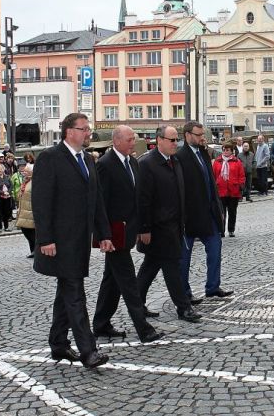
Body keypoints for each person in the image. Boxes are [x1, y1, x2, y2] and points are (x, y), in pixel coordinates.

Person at [31, 112, 113, 368]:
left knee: (66, 292)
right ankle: (88, 351)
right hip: (60, 241)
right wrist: (45, 238)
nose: (88, 133)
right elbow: (41, 202)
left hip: (80, 240)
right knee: (75, 294)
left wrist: (104, 234)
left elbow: (97, 200)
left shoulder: (87, 159)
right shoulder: (50, 158)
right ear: (69, 131)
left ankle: (58, 343)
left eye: (88, 128)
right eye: (84, 128)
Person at [92, 125, 167, 341]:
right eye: (129, 139)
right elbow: (101, 203)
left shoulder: (133, 162)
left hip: (128, 230)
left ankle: (101, 322)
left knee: (111, 281)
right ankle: (143, 329)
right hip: (114, 233)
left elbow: (137, 199)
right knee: (128, 282)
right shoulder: (105, 165)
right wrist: (103, 234)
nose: (133, 143)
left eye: (133, 139)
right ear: (116, 141)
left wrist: (142, 227)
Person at [137, 126, 202, 323]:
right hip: (158, 227)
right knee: (172, 266)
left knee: (149, 268)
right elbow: (143, 199)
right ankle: (183, 307)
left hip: (174, 225)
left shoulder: (175, 161)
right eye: (172, 140)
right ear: (159, 140)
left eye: (177, 140)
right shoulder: (147, 163)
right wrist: (144, 228)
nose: (176, 144)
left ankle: (136, 303)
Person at [177, 121, 234, 301]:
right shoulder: (180, 156)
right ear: (187, 135)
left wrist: (218, 207)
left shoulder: (203, 152)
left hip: (209, 212)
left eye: (203, 134)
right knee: (184, 258)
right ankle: (184, 293)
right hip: (190, 215)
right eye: (199, 134)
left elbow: (211, 183)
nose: (202, 138)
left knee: (215, 249)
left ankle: (213, 286)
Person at [213, 143, 246, 237]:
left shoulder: (237, 162)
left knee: (232, 212)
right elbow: (213, 175)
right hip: (221, 190)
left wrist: (240, 187)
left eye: (227, 150)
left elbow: (241, 175)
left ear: (232, 151)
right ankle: (221, 230)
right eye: (224, 150)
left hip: (233, 190)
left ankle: (231, 230)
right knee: (221, 213)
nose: (225, 152)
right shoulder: (217, 161)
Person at [15, 164, 36, 258]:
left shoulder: (35, 181)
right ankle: (33, 250)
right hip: (23, 210)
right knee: (26, 230)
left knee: (31, 231)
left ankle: (36, 250)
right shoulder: (26, 182)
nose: (24, 173)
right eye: (24, 171)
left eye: (26, 171)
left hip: (30, 210)